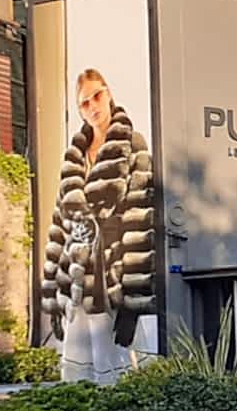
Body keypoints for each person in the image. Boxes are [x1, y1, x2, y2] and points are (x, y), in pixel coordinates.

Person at [40, 69, 156, 383]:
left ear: (108, 93)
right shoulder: (73, 157)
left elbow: (139, 219)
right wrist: (52, 295)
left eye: (97, 96)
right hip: (75, 277)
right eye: (84, 102)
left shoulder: (132, 144)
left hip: (112, 274)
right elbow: (59, 226)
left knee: (120, 372)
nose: (93, 106)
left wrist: (133, 301)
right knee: (78, 378)